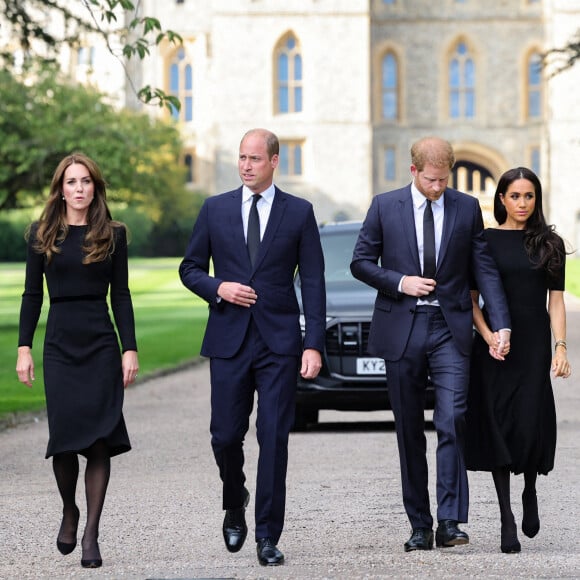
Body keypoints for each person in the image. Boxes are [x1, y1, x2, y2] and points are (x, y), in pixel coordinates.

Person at [350, 136, 511, 552]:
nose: (438, 187)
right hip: (401, 326)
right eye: (431, 179)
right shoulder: (385, 206)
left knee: (453, 419)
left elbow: (484, 269)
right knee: (408, 430)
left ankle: (451, 522)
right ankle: (419, 525)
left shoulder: (466, 207)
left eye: (444, 179)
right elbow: (361, 263)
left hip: (450, 327)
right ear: (414, 171)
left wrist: (501, 323)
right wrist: (401, 282)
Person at [179, 128, 326, 566]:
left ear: (274, 161)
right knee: (224, 436)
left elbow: (314, 282)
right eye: (241, 157)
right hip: (228, 340)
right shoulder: (215, 209)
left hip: (279, 343)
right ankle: (234, 496)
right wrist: (218, 286)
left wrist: (312, 344)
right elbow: (189, 268)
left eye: (255, 159)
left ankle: (267, 535)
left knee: (274, 437)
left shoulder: (299, 213)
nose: (245, 165)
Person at [16, 153, 139, 569]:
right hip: (60, 345)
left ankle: (91, 533)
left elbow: (120, 295)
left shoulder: (114, 234)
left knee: (99, 439)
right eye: (72, 182)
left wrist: (129, 348)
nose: (79, 188)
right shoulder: (42, 233)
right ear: (61, 188)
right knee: (66, 440)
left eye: (86, 181)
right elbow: (32, 295)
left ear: (95, 187)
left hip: (101, 343)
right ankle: (70, 509)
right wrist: (23, 348)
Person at [465, 167, 571, 553]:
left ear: (536, 200)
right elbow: (472, 300)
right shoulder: (484, 241)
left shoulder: (550, 243)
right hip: (493, 344)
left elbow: (556, 301)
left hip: (532, 345)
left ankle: (529, 489)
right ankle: (506, 516)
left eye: (529, 196)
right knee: (497, 422)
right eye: (515, 196)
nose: (522, 203)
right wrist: (489, 335)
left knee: (528, 420)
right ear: (501, 199)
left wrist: (561, 346)